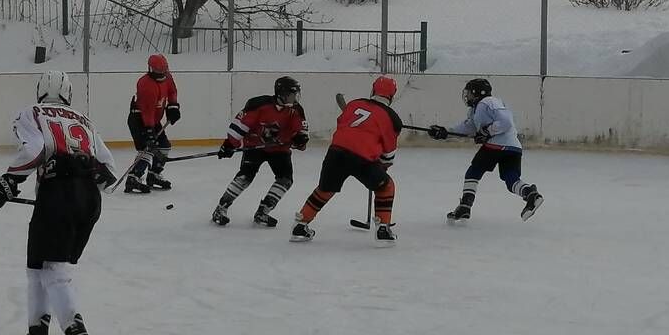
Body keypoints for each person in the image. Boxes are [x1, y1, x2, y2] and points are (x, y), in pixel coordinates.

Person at [0, 69, 117, 335]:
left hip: (58, 194)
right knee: (37, 265)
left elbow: (34, 149)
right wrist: (80, 178)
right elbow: (110, 172)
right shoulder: (84, 120)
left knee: (53, 269)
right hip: (89, 199)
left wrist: (6, 182)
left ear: (40, 91)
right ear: (68, 94)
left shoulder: (31, 112)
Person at [290, 75, 402, 244]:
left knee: (325, 188)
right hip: (362, 159)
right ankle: (383, 229)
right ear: (392, 96)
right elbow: (388, 154)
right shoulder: (392, 118)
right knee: (386, 187)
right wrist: (381, 165)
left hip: (336, 152)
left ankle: (300, 226)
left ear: (373, 90)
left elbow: (342, 123)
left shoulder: (354, 104)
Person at [427, 77, 544, 222]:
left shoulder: (487, 102)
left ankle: (465, 206)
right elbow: (468, 127)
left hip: (496, 145)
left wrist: (487, 131)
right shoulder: (477, 109)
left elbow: (505, 122)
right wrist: (445, 133)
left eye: (469, 92)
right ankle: (531, 194)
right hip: (513, 147)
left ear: (477, 92)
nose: (467, 95)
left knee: (474, 172)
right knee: (511, 179)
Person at [211, 76, 309, 228]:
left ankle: (263, 211)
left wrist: (300, 138)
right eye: (291, 94)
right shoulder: (259, 105)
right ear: (280, 93)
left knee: (285, 180)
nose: (294, 98)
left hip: (279, 149)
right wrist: (230, 143)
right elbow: (240, 125)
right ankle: (220, 208)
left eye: (295, 94)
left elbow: (300, 130)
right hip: (254, 146)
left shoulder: (296, 109)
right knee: (245, 177)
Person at [125, 53, 179, 193]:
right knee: (148, 149)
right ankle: (133, 177)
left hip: (153, 120)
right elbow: (147, 111)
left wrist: (173, 106)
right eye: (158, 71)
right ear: (150, 69)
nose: (161, 74)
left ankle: (154, 174)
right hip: (139, 120)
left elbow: (172, 91)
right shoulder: (145, 84)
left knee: (164, 147)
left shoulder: (167, 77)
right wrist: (149, 132)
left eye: (163, 71)